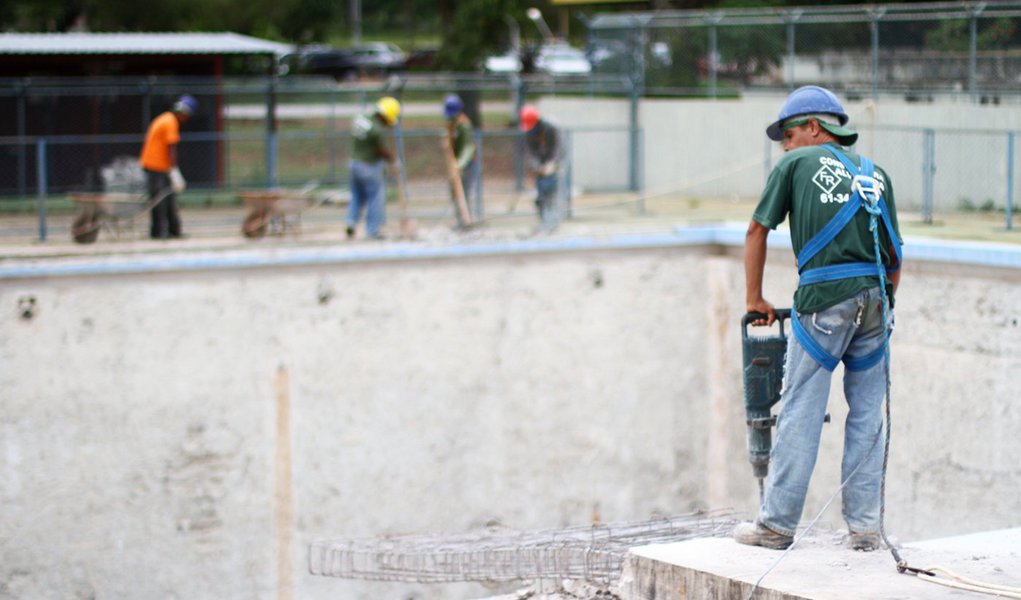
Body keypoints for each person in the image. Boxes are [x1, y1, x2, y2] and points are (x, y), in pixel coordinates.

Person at [734, 85, 903, 552]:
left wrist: (756, 298)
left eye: (788, 134)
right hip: (875, 303)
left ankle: (776, 526)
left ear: (814, 127)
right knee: (868, 417)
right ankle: (866, 530)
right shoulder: (877, 175)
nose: (784, 146)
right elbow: (894, 256)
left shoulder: (793, 165)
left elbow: (755, 230)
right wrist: (884, 312)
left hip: (825, 299)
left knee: (800, 410)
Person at [139, 94, 196, 239]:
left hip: (159, 165)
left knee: (168, 198)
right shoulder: (171, 123)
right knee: (160, 199)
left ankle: (173, 230)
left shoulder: (166, 118)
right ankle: (158, 232)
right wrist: (174, 171)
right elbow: (171, 148)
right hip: (156, 166)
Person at [347, 96, 400, 240]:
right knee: (375, 197)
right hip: (368, 166)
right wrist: (393, 160)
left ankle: (351, 223)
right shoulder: (378, 130)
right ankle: (373, 230)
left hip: (353, 163)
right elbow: (381, 150)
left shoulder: (362, 118)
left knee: (356, 196)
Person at [519, 104, 561, 231]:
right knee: (541, 194)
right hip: (541, 165)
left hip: (552, 162)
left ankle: (553, 221)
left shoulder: (550, 128)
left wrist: (552, 164)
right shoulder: (529, 132)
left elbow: (558, 147)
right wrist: (537, 165)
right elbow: (531, 151)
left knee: (553, 191)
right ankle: (543, 220)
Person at [443, 94, 477, 228]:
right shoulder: (452, 123)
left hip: (466, 164)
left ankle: (466, 220)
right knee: (454, 192)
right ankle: (460, 220)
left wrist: (460, 164)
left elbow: (469, 147)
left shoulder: (464, 123)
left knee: (464, 192)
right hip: (455, 164)